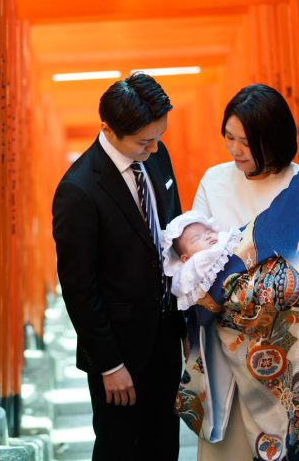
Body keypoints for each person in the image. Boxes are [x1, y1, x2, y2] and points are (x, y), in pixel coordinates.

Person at [180, 83, 299, 460]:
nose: (235, 150)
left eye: (247, 142)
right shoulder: (213, 181)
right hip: (232, 342)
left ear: (274, 139)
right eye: (229, 137)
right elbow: (201, 265)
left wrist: (264, 290)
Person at [51, 72, 187, 461]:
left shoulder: (157, 158)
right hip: (119, 349)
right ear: (108, 130)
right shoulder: (78, 190)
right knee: (119, 447)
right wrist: (109, 364)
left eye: (159, 136)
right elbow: (79, 287)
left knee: (164, 444)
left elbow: (170, 229)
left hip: (164, 334)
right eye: (144, 141)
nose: (155, 147)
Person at [161, 210, 243, 311]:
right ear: (185, 258)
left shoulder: (225, 240)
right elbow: (182, 285)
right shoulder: (192, 266)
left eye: (208, 232)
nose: (207, 236)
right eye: (196, 238)